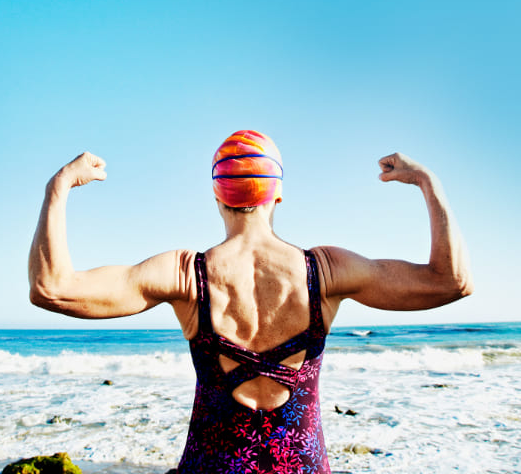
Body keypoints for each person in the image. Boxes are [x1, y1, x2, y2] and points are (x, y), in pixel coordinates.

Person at [28, 130, 473, 473]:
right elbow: (450, 281)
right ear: (277, 193)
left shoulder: (186, 275)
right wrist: (427, 183)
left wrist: (58, 186)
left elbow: (52, 288)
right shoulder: (328, 271)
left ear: (218, 194)